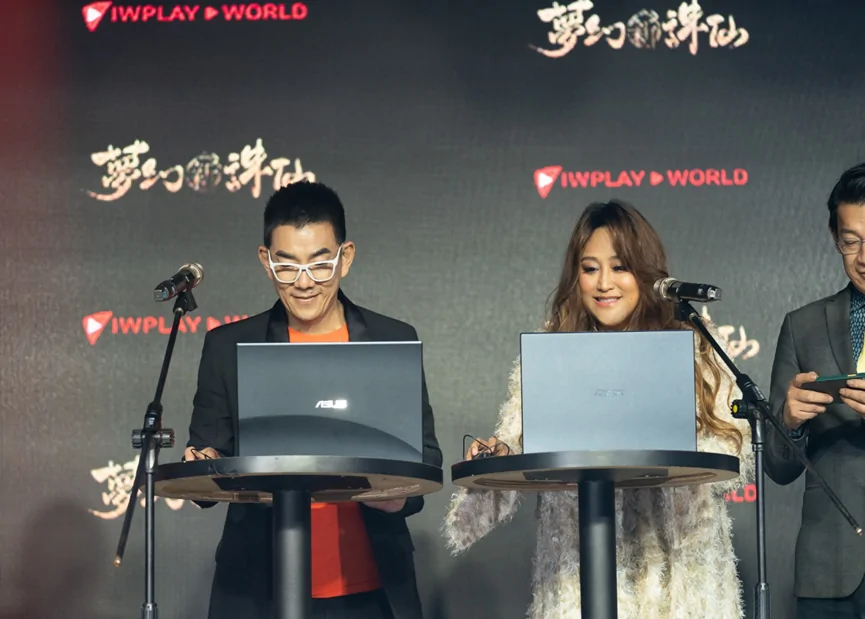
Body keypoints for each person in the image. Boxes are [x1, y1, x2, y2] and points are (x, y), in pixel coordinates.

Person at [443, 200, 754, 618]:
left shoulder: (693, 341)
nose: (604, 283)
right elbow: (520, 442)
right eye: (590, 269)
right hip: (578, 566)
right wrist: (499, 454)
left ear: (646, 272)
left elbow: (732, 448)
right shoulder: (554, 347)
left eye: (620, 267)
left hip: (679, 569)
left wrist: (661, 443)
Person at [183, 181, 442, 619]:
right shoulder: (228, 346)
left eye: (320, 265)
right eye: (287, 266)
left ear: (346, 257)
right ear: (266, 261)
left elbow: (426, 460)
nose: (304, 283)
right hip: (257, 591)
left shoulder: (391, 339)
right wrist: (204, 463)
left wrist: (394, 494)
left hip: (370, 590)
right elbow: (207, 465)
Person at [765, 162, 865, 618]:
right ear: (834, 238)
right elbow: (777, 466)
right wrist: (789, 422)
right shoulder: (802, 326)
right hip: (831, 570)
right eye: (851, 241)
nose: (863, 257)